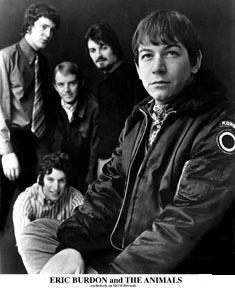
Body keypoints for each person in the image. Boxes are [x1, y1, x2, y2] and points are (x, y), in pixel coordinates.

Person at [19, 9, 235, 274]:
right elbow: (108, 188)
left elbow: (184, 222)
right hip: (119, 240)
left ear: (195, 61)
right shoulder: (141, 116)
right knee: (37, 232)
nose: (157, 67)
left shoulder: (218, 125)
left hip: (167, 264)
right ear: (137, 67)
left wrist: (114, 277)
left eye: (171, 53)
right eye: (147, 55)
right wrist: (72, 247)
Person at [0, 2, 60, 232]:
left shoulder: (42, 63)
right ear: (29, 26)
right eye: (44, 27)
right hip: (9, 141)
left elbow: (44, 110)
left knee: (34, 211)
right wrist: (6, 152)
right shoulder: (6, 57)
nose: (48, 34)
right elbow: (0, 107)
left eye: (52, 30)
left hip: (34, 144)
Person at [85, 22, 146, 176]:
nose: (98, 55)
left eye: (103, 47)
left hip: (123, 159)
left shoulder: (131, 78)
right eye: (93, 50)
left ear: (114, 47)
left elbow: (137, 124)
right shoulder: (106, 80)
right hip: (109, 157)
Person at [13, 151, 84, 249]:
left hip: (66, 253)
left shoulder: (74, 196)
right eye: (50, 180)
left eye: (61, 181)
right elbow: (24, 242)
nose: (55, 187)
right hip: (37, 254)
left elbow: (84, 230)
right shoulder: (25, 201)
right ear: (41, 179)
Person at [48, 61, 99, 193]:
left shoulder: (93, 106)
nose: (67, 90)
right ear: (55, 86)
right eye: (61, 84)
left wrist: (91, 181)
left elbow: (95, 148)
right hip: (59, 176)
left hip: (85, 176)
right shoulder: (50, 107)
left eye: (72, 83)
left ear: (80, 83)